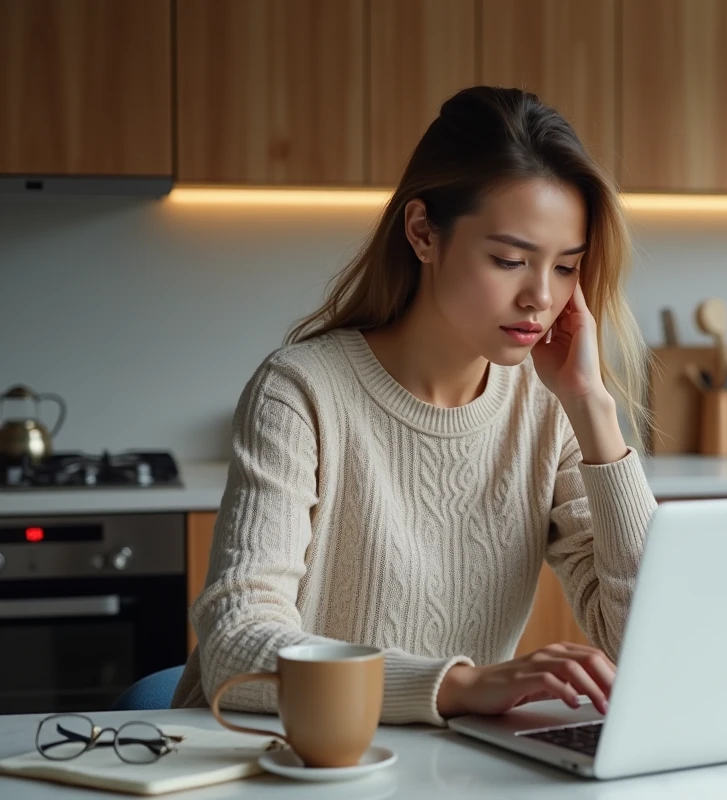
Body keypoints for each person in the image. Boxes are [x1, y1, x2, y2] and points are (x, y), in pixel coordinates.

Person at [170, 87, 657, 726]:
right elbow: (238, 646)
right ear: (423, 233)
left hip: (438, 769)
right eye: (510, 260)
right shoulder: (300, 391)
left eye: (566, 267)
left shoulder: (549, 409)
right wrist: (457, 686)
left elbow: (646, 640)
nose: (541, 296)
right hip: (269, 758)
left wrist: (593, 409)